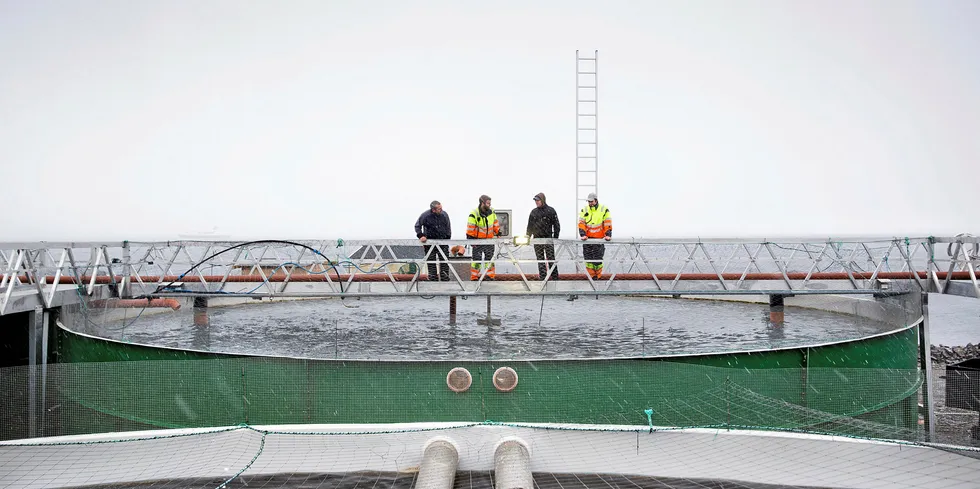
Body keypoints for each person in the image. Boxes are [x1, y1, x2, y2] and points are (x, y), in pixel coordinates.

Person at [526, 192, 561, 280]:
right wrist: (527, 237)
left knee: (551, 259)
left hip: (548, 239)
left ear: (542, 200)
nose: (536, 202)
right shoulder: (534, 212)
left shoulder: (551, 211)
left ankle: (555, 277)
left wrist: (555, 238)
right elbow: (530, 226)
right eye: (535, 201)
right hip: (537, 239)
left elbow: (556, 225)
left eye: (538, 200)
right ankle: (543, 277)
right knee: (540, 259)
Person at [414, 200, 452, 281]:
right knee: (431, 263)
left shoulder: (444, 215)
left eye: (441, 208)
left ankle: (445, 279)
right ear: (433, 210)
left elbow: (448, 227)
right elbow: (417, 226)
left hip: (443, 242)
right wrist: (421, 236)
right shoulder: (425, 215)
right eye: (439, 209)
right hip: (429, 243)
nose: (441, 210)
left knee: (445, 262)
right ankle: (433, 280)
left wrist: (447, 239)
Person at [466, 194, 501, 280]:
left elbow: (495, 222)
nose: (490, 205)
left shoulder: (492, 211)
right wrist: (471, 239)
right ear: (482, 203)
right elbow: (470, 226)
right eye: (488, 203)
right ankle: (474, 277)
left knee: (489, 259)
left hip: (489, 240)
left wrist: (498, 231)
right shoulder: (474, 213)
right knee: (476, 260)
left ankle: (490, 276)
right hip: (477, 241)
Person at [578, 192, 612, 279]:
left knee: (598, 260)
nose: (590, 203)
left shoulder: (603, 209)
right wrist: (583, 234)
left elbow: (607, 222)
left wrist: (608, 234)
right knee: (588, 260)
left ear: (596, 201)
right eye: (589, 202)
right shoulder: (584, 210)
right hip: (588, 240)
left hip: (599, 240)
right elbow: (581, 223)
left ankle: (598, 277)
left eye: (591, 201)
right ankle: (592, 277)